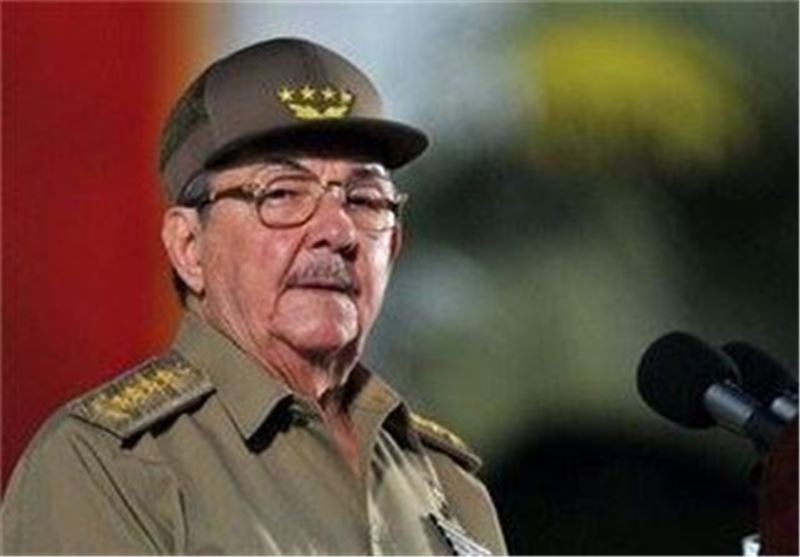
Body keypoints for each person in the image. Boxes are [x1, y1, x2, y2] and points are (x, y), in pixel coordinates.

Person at [1, 37, 507, 555]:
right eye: (282, 194)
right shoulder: (108, 467)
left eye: (364, 200)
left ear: (393, 246)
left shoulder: (450, 486)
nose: (337, 231)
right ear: (189, 247)